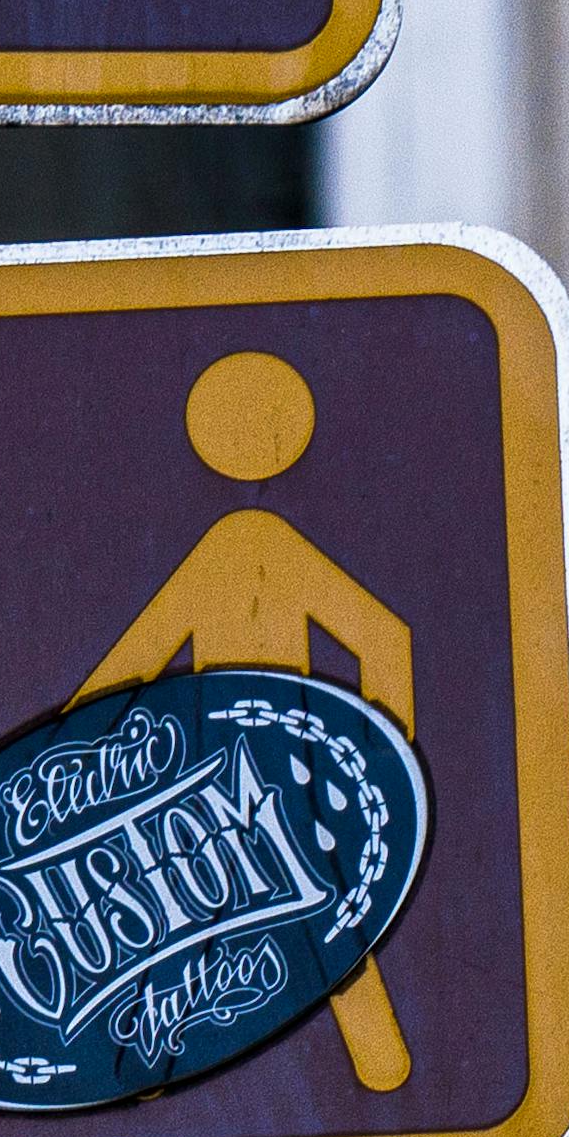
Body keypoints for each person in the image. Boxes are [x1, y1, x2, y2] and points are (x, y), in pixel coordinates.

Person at [74, 347, 416, 1088]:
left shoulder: (254, 545)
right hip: (227, 778)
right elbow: (140, 655)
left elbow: (383, 636)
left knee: (286, 916)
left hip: (259, 770)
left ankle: (379, 1065)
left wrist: (383, 748)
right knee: (264, 919)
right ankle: (369, 1067)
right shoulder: (231, 547)